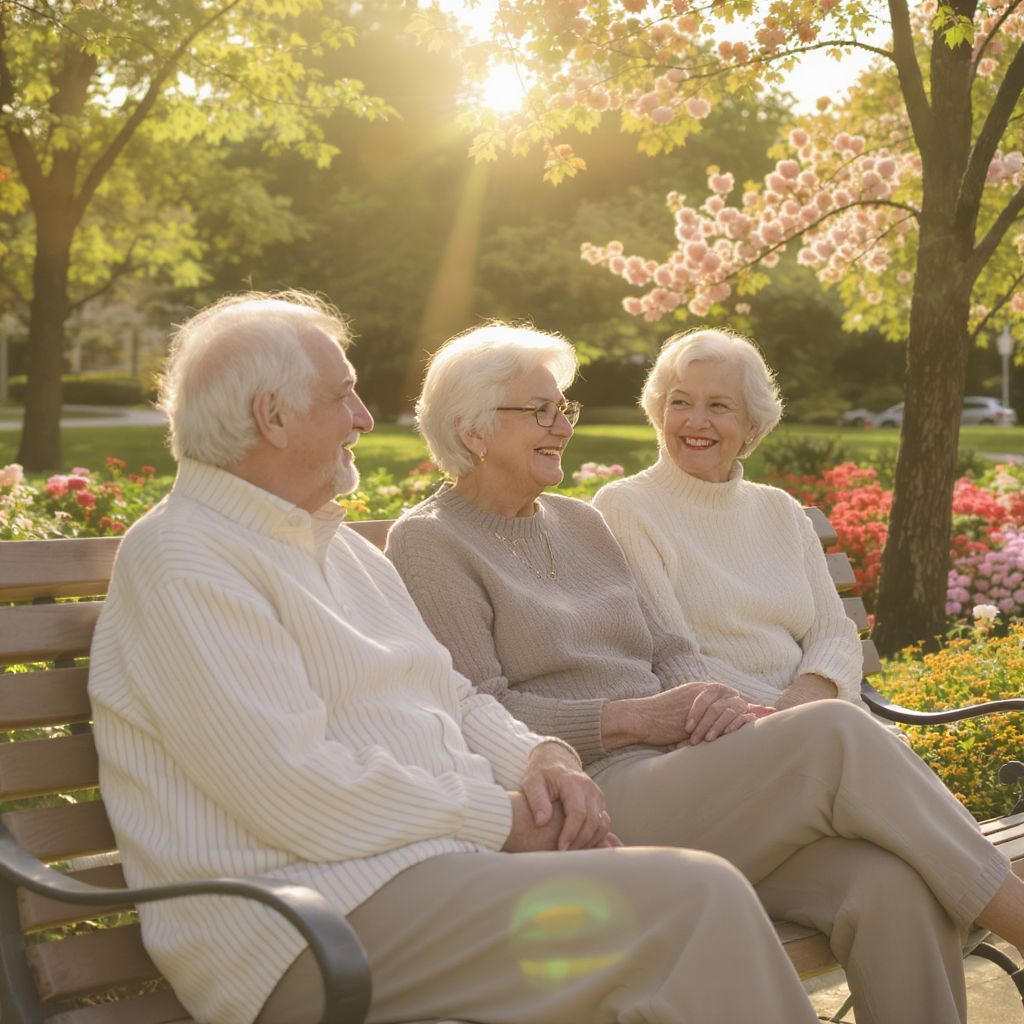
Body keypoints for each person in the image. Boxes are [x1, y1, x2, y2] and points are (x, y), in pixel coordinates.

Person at [87, 291, 824, 1024]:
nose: (365, 420)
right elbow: (293, 791)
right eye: (343, 395)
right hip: (302, 927)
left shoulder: (337, 548)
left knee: (687, 921)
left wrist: (544, 762)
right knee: (698, 901)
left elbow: (457, 698)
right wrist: (501, 819)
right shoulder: (185, 556)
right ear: (271, 418)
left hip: (424, 877)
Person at [386, 320, 1024, 1024]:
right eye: (539, 411)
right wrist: (633, 719)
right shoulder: (430, 541)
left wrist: (716, 705)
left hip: (685, 773)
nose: (561, 426)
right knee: (835, 733)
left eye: (562, 408)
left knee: (887, 886)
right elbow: (477, 710)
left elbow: (667, 651)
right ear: (473, 430)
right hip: (596, 797)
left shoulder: (578, 522)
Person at [592, 327, 863, 711]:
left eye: (718, 406)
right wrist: (791, 717)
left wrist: (808, 703)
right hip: (726, 725)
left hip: (818, 718)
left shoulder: (780, 510)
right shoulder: (628, 507)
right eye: (681, 402)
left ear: (752, 425)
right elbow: (674, 658)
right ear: (660, 412)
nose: (695, 421)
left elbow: (834, 633)